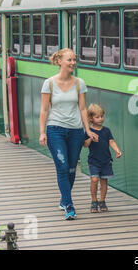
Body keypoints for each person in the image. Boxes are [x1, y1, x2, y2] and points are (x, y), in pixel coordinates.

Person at [39, 48, 98, 220]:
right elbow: (44, 109)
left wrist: (87, 130)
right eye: (69, 60)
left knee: (72, 169)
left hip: (75, 132)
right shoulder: (48, 83)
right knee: (63, 167)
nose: (73, 63)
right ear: (59, 62)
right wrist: (42, 132)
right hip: (55, 129)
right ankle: (69, 206)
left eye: (74, 59)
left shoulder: (80, 83)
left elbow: (82, 108)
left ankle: (64, 199)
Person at [84, 103, 122, 213]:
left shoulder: (106, 131)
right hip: (94, 161)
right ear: (91, 118)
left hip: (106, 161)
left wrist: (117, 150)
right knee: (94, 179)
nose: (100, 119)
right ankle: (94, 201)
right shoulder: (88, 131)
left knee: (104, 182)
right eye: (97, 117)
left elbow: (111, 141)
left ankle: (102, 201)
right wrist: (90, 138)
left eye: (102, 116)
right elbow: (85, 145)